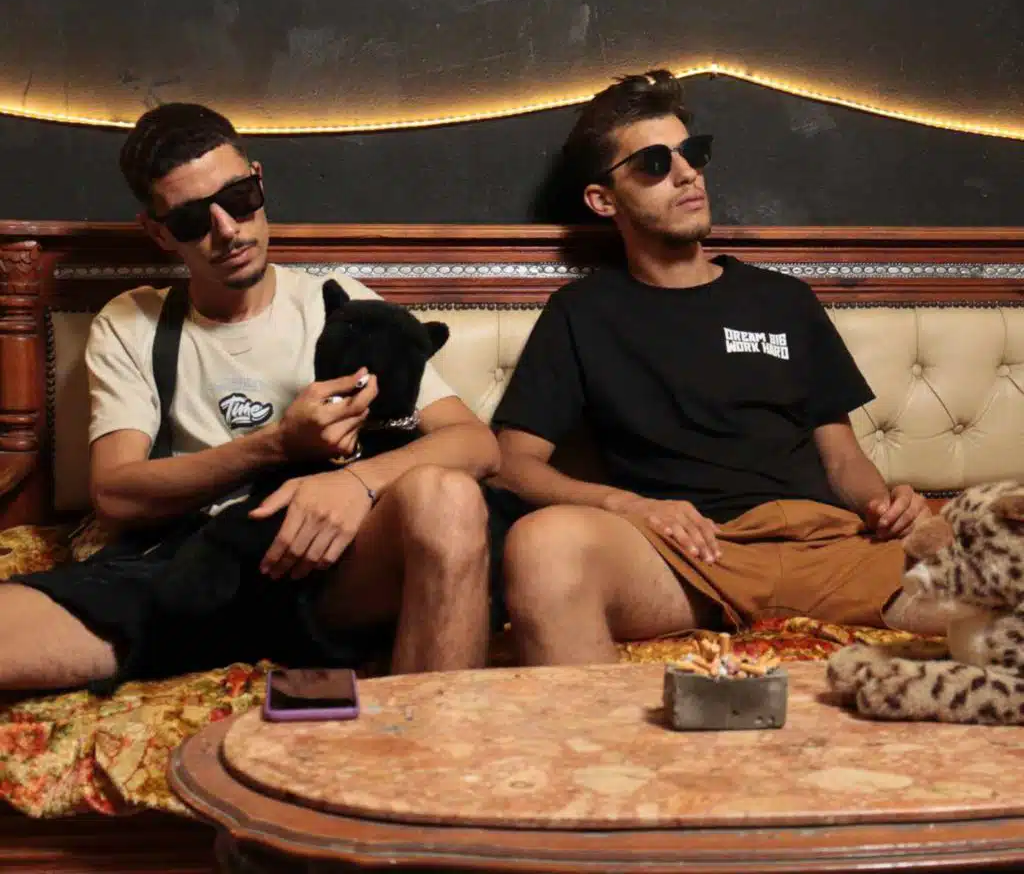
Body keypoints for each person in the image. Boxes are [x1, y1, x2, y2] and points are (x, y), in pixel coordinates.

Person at [0, 103, 499, 692]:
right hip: (191, 571)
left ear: (258, 182)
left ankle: (429, 746)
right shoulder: (135, 321)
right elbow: (116, 494)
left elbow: (476, 443)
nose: (228, 230)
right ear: (159, 232)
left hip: (321, 567)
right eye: (192, 219)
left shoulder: (335, 304)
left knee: (447, 497)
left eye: (238, 199)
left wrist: (356, 482)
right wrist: (276, 445)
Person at [489, 70, 940, 666]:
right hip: (693, 557)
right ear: (603, 200)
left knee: (1001, 541)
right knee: (543, 546)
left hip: (829, 545)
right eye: (654, 164)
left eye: (692, 153)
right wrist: (627, 505)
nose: (687, 174)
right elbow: (510, 466)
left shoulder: (783, 300)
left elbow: (842, 458)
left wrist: (888, 505)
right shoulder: (581, 313)